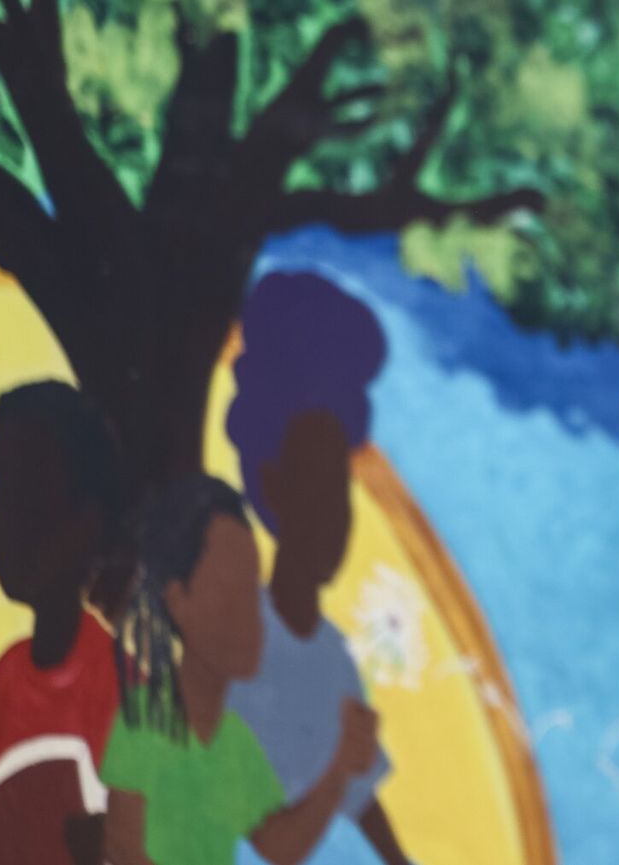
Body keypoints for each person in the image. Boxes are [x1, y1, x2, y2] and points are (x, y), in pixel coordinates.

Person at [225, 270, 408, 864]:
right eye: (320, 490)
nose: (338, 519)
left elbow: (363, 798)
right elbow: (271, 842)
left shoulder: (330, 654)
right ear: (273, 488)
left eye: (344, 494)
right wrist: (339, 768)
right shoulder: (236, 646)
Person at [101, 473, 378, 865]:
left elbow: (277, 846)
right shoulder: (145, 720)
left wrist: (339, 771)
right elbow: (123, 846)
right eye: (227, 593)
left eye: (251, 592)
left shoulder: (235, 744)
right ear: (178, 600)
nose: (249, 618)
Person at [0, 380, 126, 865]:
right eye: (1, 495)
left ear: (89, 524)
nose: (4, 524)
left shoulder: (117, 686)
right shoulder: (8, 675)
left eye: (29, 500)